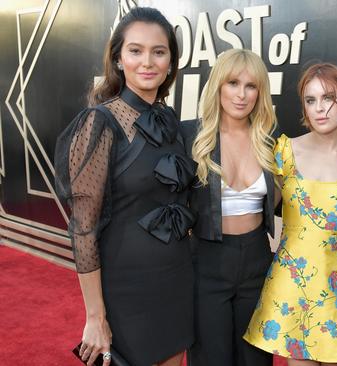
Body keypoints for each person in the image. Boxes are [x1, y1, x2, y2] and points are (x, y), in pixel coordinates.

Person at [54, 7, 195, 366]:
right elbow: (83, 229)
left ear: (170, 61)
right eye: (135, 50)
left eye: (158, 51)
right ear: (118, 58)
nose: (147, 61)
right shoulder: (99, 123)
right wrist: (95, 317)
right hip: (126, 290)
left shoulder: (170, 122)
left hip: (176, 280)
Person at [244, 63, 337, 365]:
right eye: (310, 100)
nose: (319, 108)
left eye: (328, 97)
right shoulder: (284, 150)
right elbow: (254, 205)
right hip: (292, 282)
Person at [181, 48, 277, 366]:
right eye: (233, 83)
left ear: (260, 92)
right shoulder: (191, 138)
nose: (241, 94)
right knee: (211, 358)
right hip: (207, 260)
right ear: (218, 86)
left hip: (257, 259)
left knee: (256, 359)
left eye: (251, 86)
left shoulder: (269, 143)